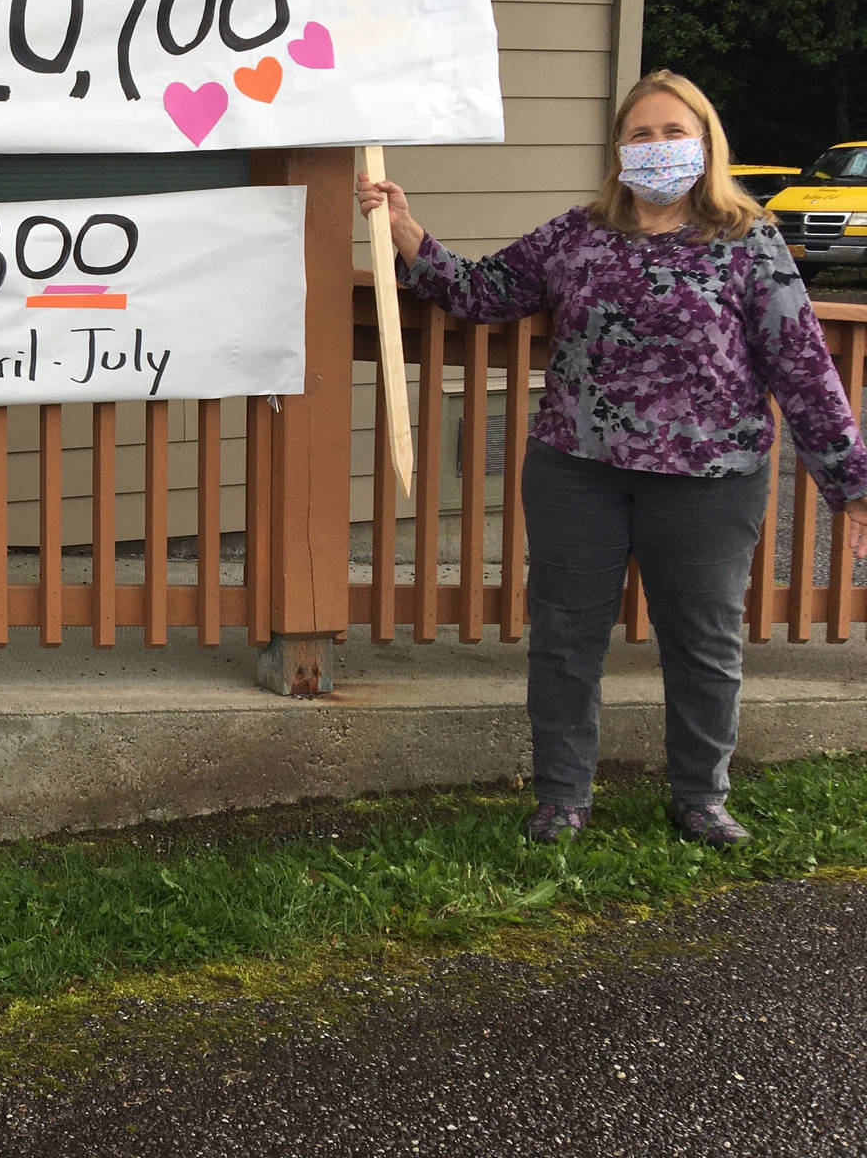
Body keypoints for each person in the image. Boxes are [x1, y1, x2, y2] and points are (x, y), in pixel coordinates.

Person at [358, 69, 867, 848]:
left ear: (705, 144)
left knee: (703, 645)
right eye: (641, 133)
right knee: (565, 639)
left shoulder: (748, 241)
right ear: (620, 149)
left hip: (709, 482)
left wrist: (851, 484)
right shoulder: (577, 234)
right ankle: (563, 797)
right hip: (577, 472)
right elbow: (485, 291)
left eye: (674, 132)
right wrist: (406, 232)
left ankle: (701, 797)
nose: (658, 146)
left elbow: (802, 366)